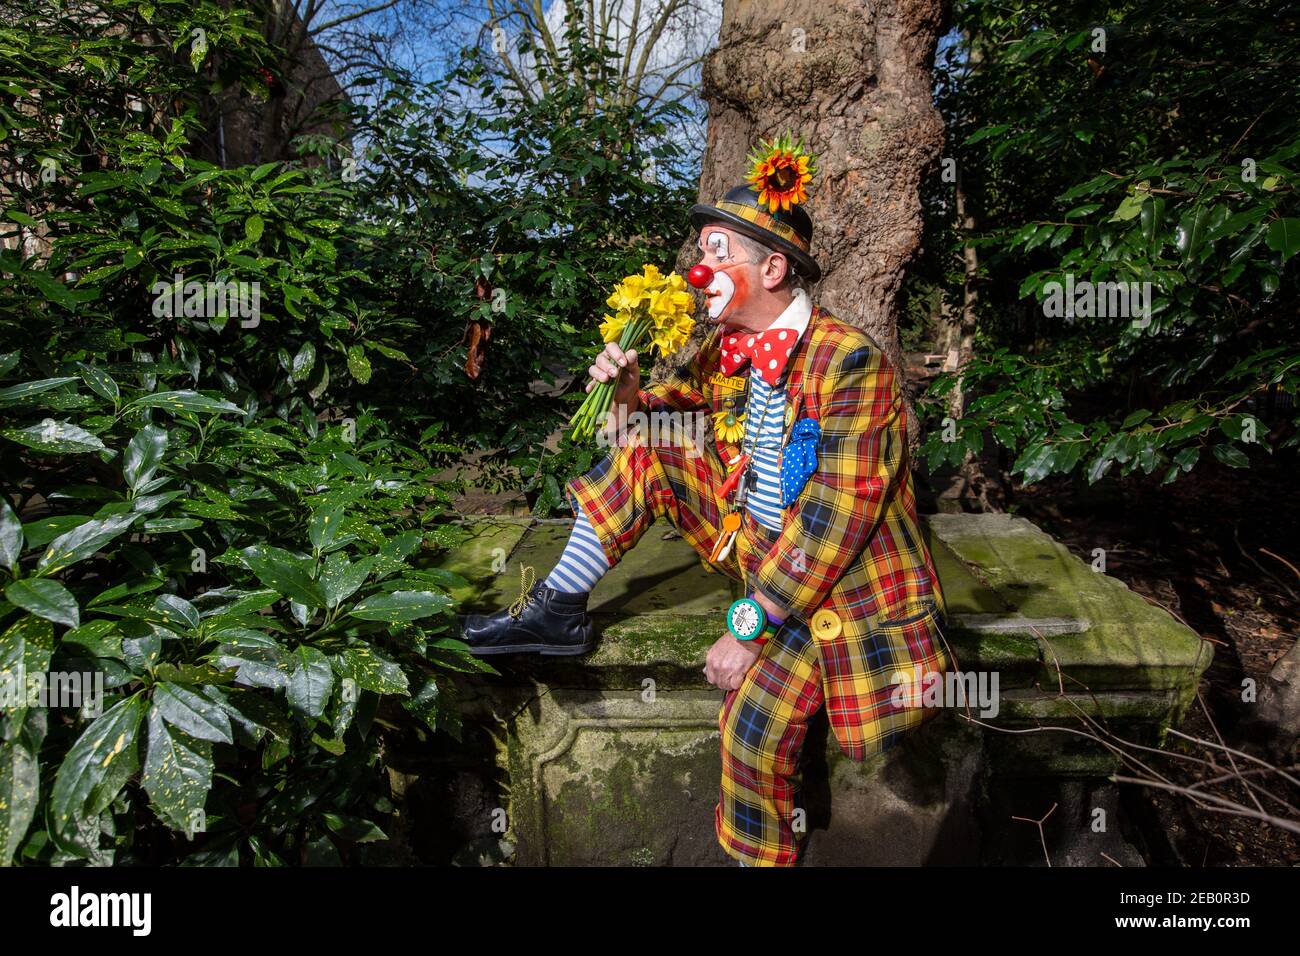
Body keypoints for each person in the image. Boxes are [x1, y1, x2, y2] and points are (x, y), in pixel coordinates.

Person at [462, 133, 951, 867]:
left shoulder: (850, 362)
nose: (701, 271)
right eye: (704, 252)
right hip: (751, 542)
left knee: (750, 736)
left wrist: (749, 625)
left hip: (829, 588)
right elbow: (653, 425)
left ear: (774, 268)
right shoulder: (721, 352)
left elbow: (835, 521)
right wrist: (627, 396)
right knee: (654, 441)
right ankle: (557, 612)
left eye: (721, 254)